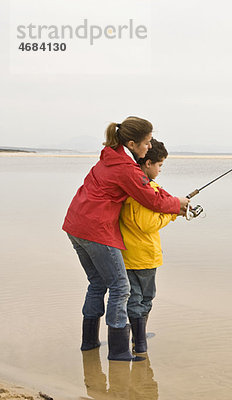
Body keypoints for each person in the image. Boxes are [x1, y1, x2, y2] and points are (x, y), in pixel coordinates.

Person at [63, 116, 190, 361]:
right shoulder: (125, 168)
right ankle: (119, 350)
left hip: (75, 225)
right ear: (132, 144)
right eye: (147, 142)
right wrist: (177, 205)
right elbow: (151, 199)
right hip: (94, 229)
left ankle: (89, 343)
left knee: (98, 284)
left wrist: (171, 201)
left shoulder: (110, 156)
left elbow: (148, 187)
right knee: (121, 287)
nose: (149, 147)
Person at [119, 139, 176, 354]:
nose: (160, 170)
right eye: (160, 165)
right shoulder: (143, 191)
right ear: (148, 163)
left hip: (128, 253)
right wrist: (171, 215)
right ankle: (140, 342)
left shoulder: (133, 186)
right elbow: (147, 225)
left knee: (135, 298)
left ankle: (137, 338)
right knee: (143, 299)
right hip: (142, 256)